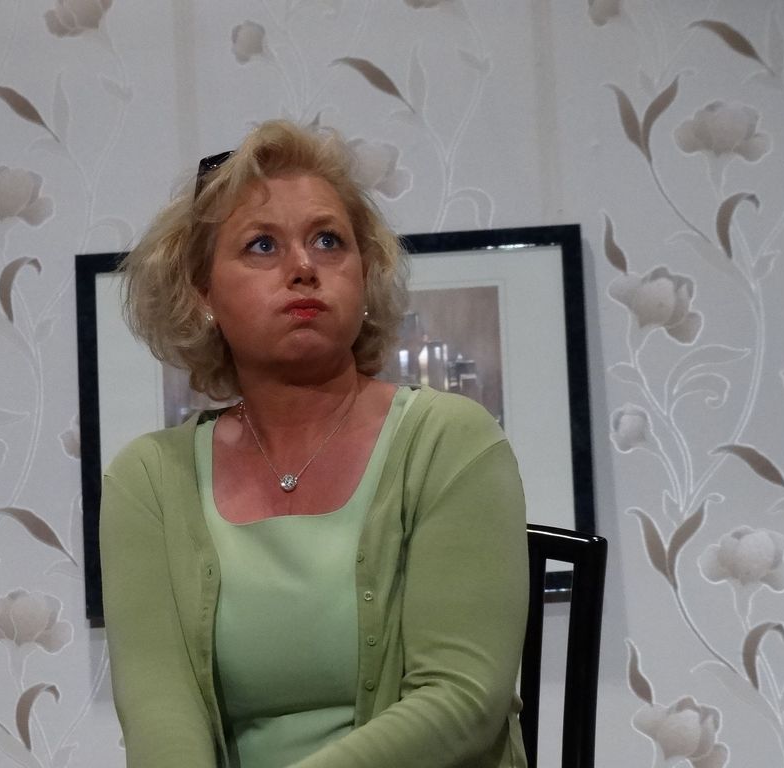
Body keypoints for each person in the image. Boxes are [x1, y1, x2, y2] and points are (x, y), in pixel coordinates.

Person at [100, 119, 529, 768]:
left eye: (328, 241)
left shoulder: (451, 440)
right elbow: (161, 722)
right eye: (262, 245)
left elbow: (462, 700)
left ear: (365, 276)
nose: (303, 267)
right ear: (202, 293)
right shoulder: (149, 479)